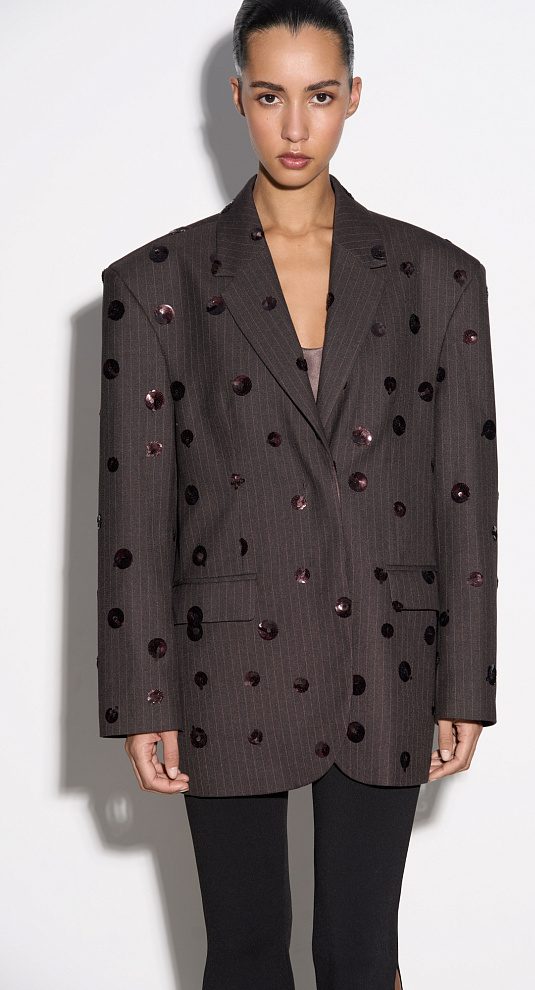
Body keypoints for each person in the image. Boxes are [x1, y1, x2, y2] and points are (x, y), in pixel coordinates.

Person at [96, 1, 499, 987]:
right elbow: (135, 508)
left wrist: (467, 681)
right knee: (242, 954)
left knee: (361, 955)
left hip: (386, 652)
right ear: (237, 97)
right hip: (224, 658)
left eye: (318, 97)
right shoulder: (157, 284)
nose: (293, 126)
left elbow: (464, 490)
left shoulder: (437, 277)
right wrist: (141, 695)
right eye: (271, 96)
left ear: (353, 97)